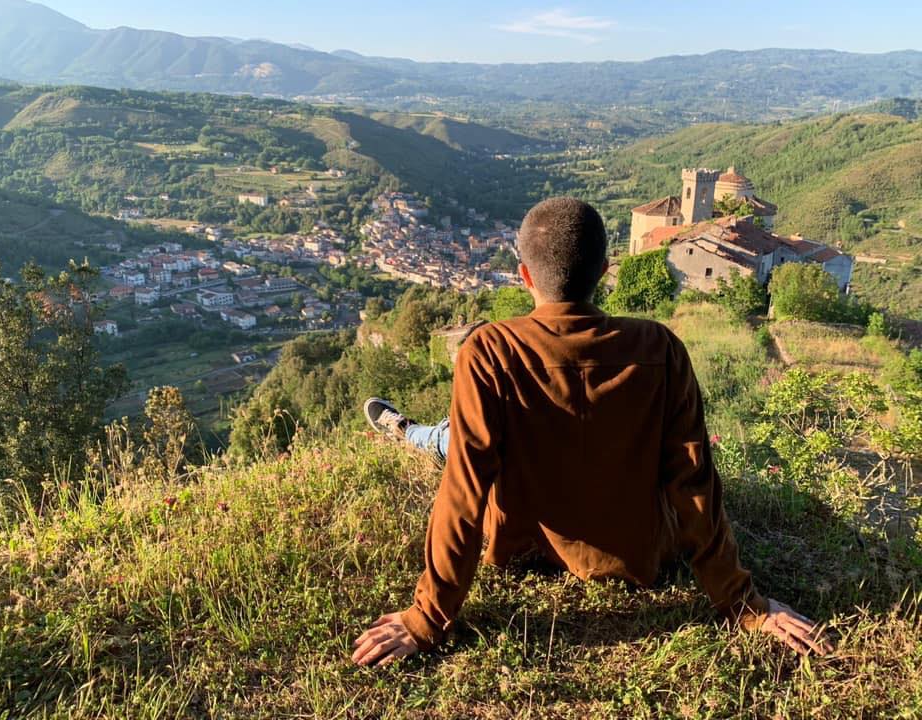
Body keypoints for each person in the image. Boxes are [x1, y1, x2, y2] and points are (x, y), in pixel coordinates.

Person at [352, 197, 832, 668]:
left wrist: (428, 617)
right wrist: (743, 604)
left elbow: (463, 490)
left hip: (522, 548)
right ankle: (413, 432)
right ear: (604, 272)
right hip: (641, 558)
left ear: (524, 276)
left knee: (453, 439)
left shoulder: (490, 349)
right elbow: (693, 481)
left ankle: (407, 431)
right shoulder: (660, 348)